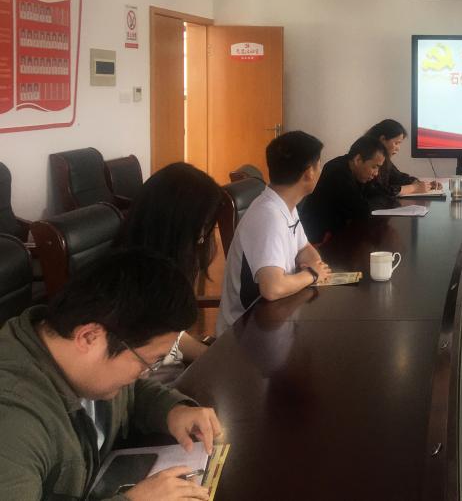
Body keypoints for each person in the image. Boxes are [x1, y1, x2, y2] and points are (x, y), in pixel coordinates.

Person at [0, 249, 222, 500]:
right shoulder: (13, 421)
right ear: (89, 337)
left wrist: (172, 410)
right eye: (146, 363)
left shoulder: (83, 363)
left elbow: (131, 392)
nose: (144, 374)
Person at [217, 131, 331, 335]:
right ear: (309, 173)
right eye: (319, 165)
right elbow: (272, 288)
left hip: (274, 319)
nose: (320, 171)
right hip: (245, 335)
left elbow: (304, 248)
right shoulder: (268, 217)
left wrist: (315, 265)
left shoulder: (285, 204)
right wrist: (313, 274)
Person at [116, 162, 222, 365]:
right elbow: (153, 349)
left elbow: (169, 334)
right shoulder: (130, 282)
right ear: (175, 225)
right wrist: (209, 357)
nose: (202, 238)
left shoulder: (158, 266)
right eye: (200, 227)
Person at [299, 135, 389, 243]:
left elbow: (381, 194)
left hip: (339, 231)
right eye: (374, 167)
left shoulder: (358, 172)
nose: (376, 173)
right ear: (358, 160)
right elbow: (362, 211)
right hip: (319, 239)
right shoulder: (336, 172)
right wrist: (374, 201)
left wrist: (374, 200)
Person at [363, 119, 441, 210]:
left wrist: (422, 184)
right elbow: (379, 192)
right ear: (383, 139)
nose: (398, 148)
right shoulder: (369, 158)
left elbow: (399, 177)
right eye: (396, 143)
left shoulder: (385, 161)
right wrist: (413, 188)